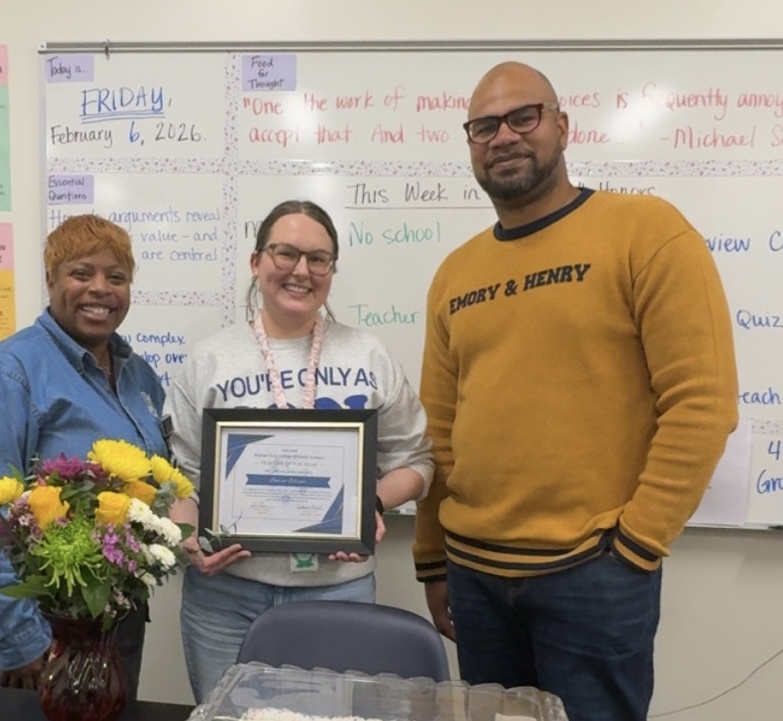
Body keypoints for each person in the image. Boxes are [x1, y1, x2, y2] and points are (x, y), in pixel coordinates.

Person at [412, 62, 739, 721]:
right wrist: (432, 560)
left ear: (562, 126)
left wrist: (634, 547)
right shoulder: (455, 272)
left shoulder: (647, 231)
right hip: (474, 574)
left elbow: (701, 403)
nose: (503, 136)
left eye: (522, 117)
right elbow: (440, 430)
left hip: (592, 574)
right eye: (483, 126)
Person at [165, 199, 434, 702]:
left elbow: (418, 461)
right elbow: (178, 477)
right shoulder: (210, 360)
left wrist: (371, 503)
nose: (301, 271)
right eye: (285, 253)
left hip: (339, 589)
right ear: (256, 261)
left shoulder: (369, 355)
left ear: (332, 269)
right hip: (227, 595)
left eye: (318, 258)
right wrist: (188, 541)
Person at [0, 214, 169, 696]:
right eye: (81, 273)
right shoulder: (5, 375)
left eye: (116, 277)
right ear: (51, 280)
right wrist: (21, 642)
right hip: (24, 640)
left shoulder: (139, 377)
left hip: (108, 629)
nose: (100, 288)